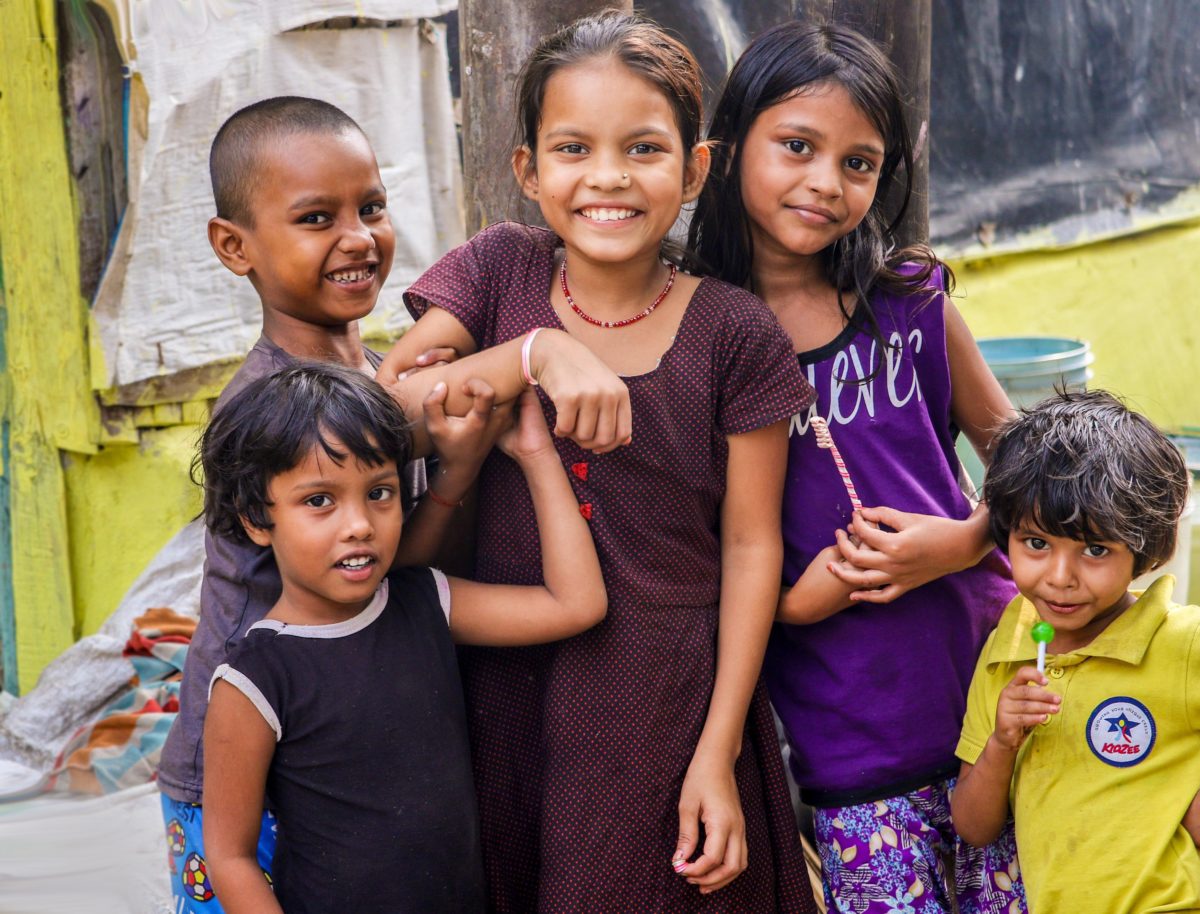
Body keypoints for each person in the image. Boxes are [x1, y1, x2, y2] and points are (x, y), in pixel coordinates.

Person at [376, 12, 816, 911]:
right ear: (528, 170)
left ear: (695, 169)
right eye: (573, 148)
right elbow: (388, 412)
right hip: (504, 693)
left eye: (644, 148)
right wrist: (532, 353)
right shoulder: (498, 274)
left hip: (662, 705)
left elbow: (750, 550)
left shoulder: (735, 334)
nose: (607, 177)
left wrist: (720, 749)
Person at [158, 95, 626, 913]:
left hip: (356, 742)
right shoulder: (271, 404)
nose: (358, 237)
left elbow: (404, 569)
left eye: (371, 207)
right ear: (234, 246)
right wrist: (542, 348)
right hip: (246, 757)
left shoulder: (376, 374)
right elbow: (402, 408)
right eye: (315, 217)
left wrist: (457, 471)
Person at [687, 22, 1026, 914]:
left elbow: (1030, 460)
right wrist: (805, 598)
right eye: (796, 146)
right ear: (725, 151)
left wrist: (962, 542)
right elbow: (698, 546)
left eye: (859, 163)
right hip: (851, 739)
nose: (825, 183)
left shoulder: (910, 298)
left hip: (991, 702)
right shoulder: (696, 335)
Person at [198, 363, 606, 913]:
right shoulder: (254, 681)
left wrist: (537, 457)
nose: (360, 524)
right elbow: (231, 857)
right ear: (256, 518)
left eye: (380, 492)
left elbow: (576, 604)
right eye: (319, 500)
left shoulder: (424, 602)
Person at [952, 389, 1200, 913]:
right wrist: (1002, 742)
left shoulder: (1179, 644)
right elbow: (973, 825)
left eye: (1096, 550)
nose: (1060, 579)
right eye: (1036, 543)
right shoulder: (1009, 647)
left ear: (1144, 551)